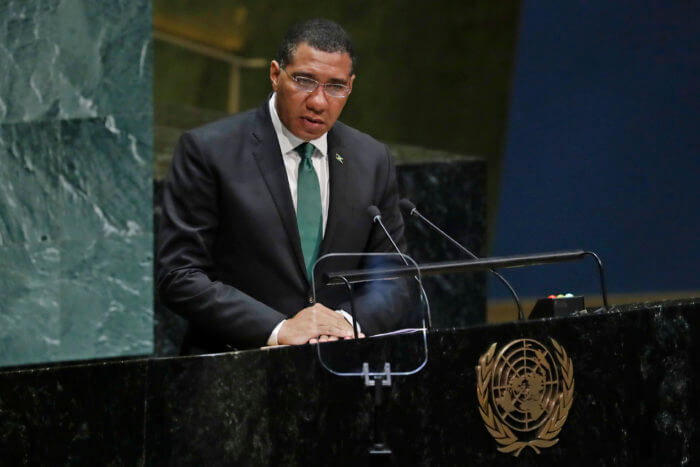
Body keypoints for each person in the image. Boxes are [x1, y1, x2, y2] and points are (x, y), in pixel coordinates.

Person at [157, 18, 410, 353]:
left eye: (335, 86)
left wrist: (346, 323)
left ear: (350, 86)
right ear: (276, 74)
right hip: (236, 368)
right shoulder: (209, 151)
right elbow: (180, 274)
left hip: (339, 369)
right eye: (305, 81)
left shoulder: (371, 159)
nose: (319, 102)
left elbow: (392, 273)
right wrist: (278, 329)